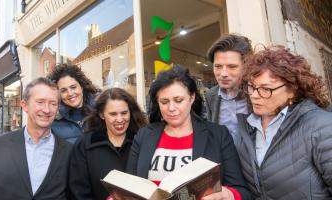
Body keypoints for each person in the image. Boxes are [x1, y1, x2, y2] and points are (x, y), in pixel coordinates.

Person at [127, 66, 251, 200]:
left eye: (178, 100)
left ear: (192, 98)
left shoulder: (218, 135)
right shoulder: (144, 135)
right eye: (164, 102)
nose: (171, 108)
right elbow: (129, 186)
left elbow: (241, 191)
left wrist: (227, 195)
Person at [236, 45, 332, 199]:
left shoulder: (322, 127)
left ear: (292, 90)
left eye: (266, 89)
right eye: (251, 87)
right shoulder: (246, 129)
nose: (254, 95)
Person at [0, 77, 72, 200]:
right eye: (40, 102)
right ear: (24, 105)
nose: (46, 109)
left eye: (53, 103)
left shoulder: (69, 152)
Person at [69, 88, 148, 200]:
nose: (120, 119)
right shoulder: (85, 145)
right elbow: (78, 192)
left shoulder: (143, 141)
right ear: (102, 114)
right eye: (113, 114)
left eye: (124, 113)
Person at [204, 34, 252, 144]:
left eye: (232, 67)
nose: (223, 74)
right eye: (218, 66)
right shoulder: (211, 96)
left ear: (246, 65)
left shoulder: (257, 93)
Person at [47, 64, 100, 143]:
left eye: (73, 87)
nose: (70, 93)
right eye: (63, 90)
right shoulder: (53, 123)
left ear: (81, 87)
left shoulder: (101, 112)